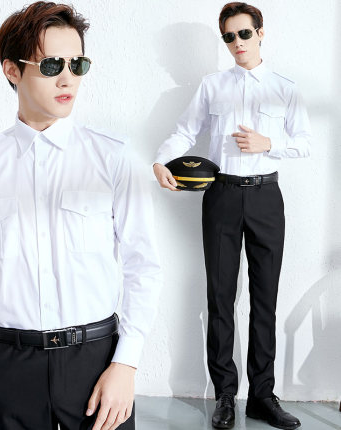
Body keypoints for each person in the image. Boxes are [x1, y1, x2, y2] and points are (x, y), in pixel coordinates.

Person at [0, 2, 162, 429]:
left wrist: (126, 364)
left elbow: (143, 264)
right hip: (9, 366)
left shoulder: (113, 157)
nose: (67, 78)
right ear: (12, 71)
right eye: (52, 64)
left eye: (78, 64)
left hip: (97, 363)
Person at [153, 2, 310, 429]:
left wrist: (268, 143)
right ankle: (225, 395)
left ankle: (262, 396)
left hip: (266, 197)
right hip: (221, 196)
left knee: (265, 300)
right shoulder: (212, 86)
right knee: (220, 299)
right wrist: (161, 160)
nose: (237, 43)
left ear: (260, 33)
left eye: (244, 33)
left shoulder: (284, 87)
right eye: (228, 36)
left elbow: (305, 142)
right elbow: (185, 131)